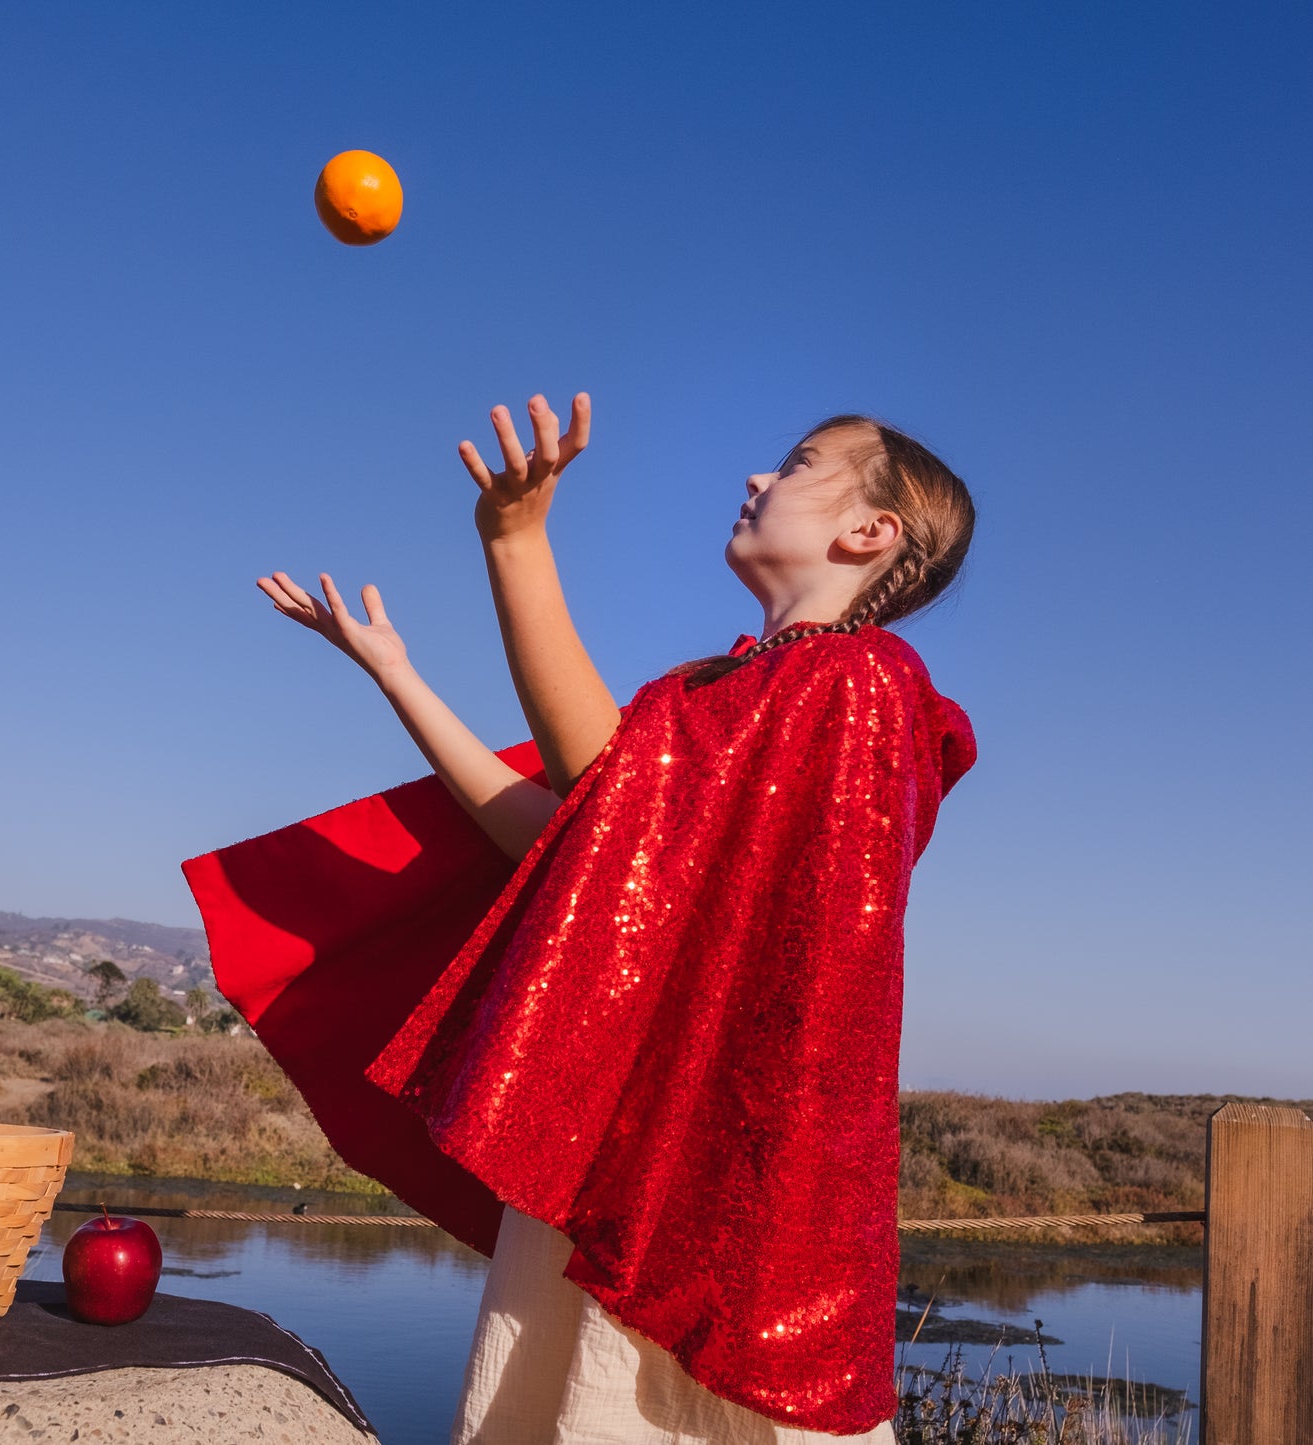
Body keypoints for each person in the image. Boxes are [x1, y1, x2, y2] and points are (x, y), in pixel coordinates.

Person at [186, 392, 976, 1444]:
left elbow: (601, 784)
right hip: (612, 1150)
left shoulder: (864, 682)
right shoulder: (715, 692)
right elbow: (568, 839)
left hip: (716, 1181)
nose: (754, 476)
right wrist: (397, 673)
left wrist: (516, 544)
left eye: (794, 463)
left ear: (867, 532)